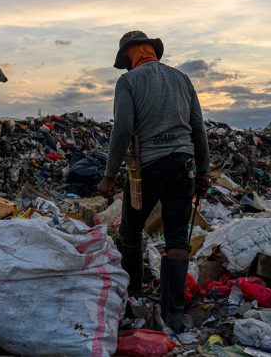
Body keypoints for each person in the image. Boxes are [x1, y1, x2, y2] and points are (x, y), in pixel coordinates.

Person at [97, 30, 210, 332]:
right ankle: (173, 314)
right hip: (183, 166)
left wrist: (109, 175)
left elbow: (122, 129)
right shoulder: (183, 79)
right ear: (152, 51)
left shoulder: (128, 82)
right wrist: (203, 172)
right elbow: (198, 128)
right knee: (176, 239)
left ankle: (133, 299)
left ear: (128, 55)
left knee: (130, 232)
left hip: (148, 168)